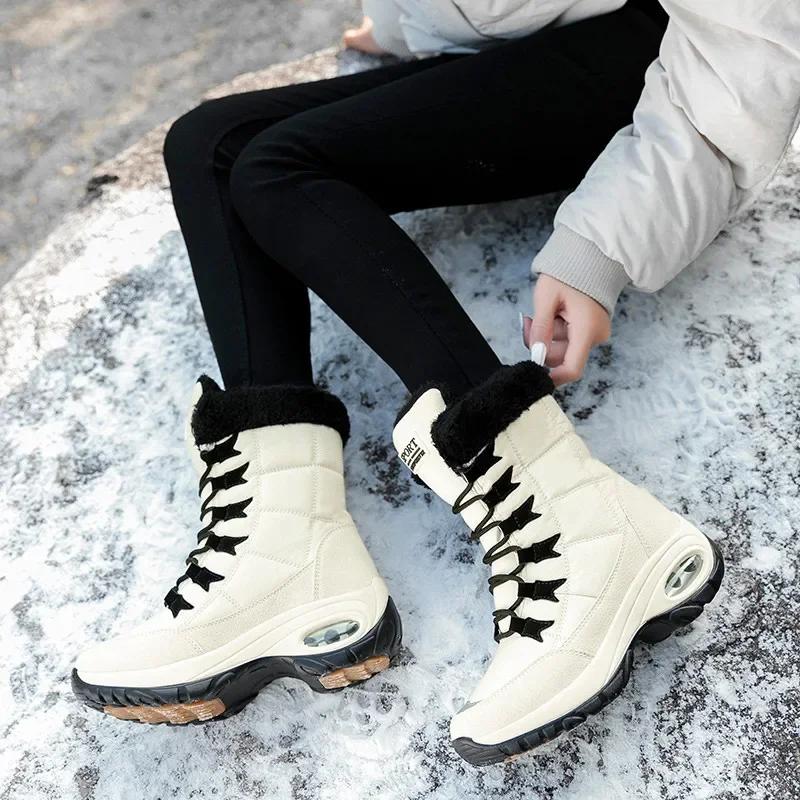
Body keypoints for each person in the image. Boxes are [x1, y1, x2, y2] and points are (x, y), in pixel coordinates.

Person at [72, 0, 797, 764]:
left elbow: (748, 48)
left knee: (277, 173)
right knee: (209, 145)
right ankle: (283, 553)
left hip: (672, 67)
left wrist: (602, 245)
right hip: (542, 37)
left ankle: (586, 524)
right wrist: (406, 23)